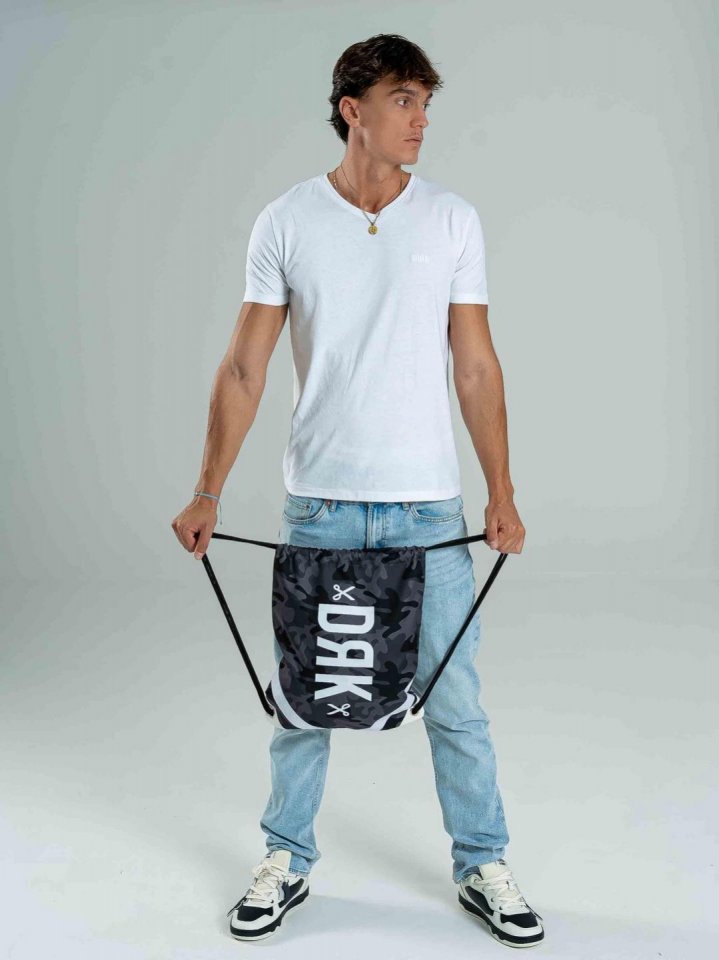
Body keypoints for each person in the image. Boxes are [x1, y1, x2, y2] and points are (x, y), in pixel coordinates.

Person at [171, 33, 543, 949]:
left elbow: (475, 366)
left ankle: (483, 863)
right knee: (304, 700)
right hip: (321, 506)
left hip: (427, 510)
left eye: (425, 103)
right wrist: (207, 490)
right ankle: (285, 858)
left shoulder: (451, 220)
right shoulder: (287, 221)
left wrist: (500, 490)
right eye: (403, 100)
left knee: (454, 702)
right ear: (353, 110)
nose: (420, 121)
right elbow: (244, 369)